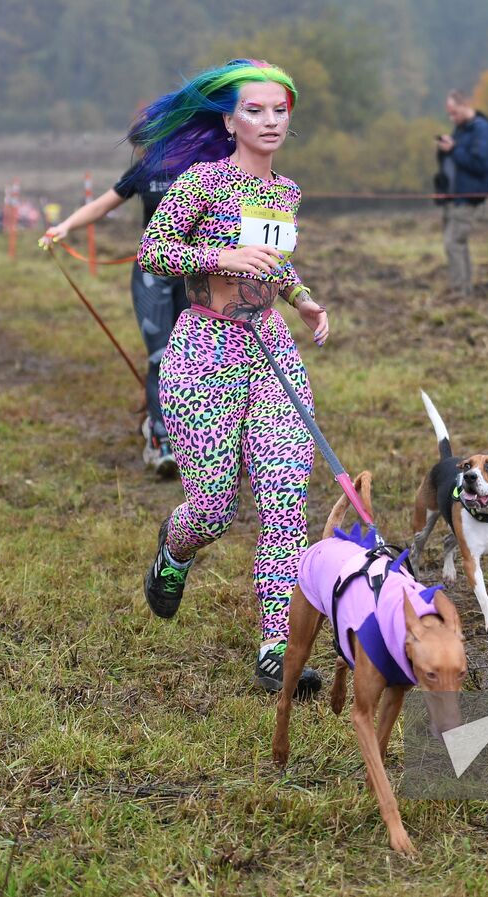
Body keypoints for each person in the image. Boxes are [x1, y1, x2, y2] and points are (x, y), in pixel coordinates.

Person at [129, 59, 329, 696]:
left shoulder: (286, 192)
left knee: (283, 497)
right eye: (256, 111)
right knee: (213, 508)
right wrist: (219, 254)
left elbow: (275, 263)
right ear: (230, 119)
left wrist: (301, 298)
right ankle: (175, 548)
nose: (270, 122)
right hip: (205, 349)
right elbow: (155, 253)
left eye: (280, 111)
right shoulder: (200, 183)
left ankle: (277, 647)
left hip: (270, 348)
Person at [43, 154, 187, 478]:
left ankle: (201, 442)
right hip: (153, 271)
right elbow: (103, 204)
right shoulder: (146, 168)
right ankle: (160, 440)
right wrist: (63, 227)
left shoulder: (208, 163)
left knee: (194, 361)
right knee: (160, 356)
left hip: (198, 273)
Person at [436, 90, 488, 295]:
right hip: (455, 196)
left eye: (454, 112)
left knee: (453, 242)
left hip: (469, 196)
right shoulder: (462, 130)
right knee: (457, 243)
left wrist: (453, 150)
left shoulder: (481, 129)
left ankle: (460, 291)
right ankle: (463, 289)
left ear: (464, 105)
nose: (451, 118)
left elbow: (481, 164)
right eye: (449, 114)